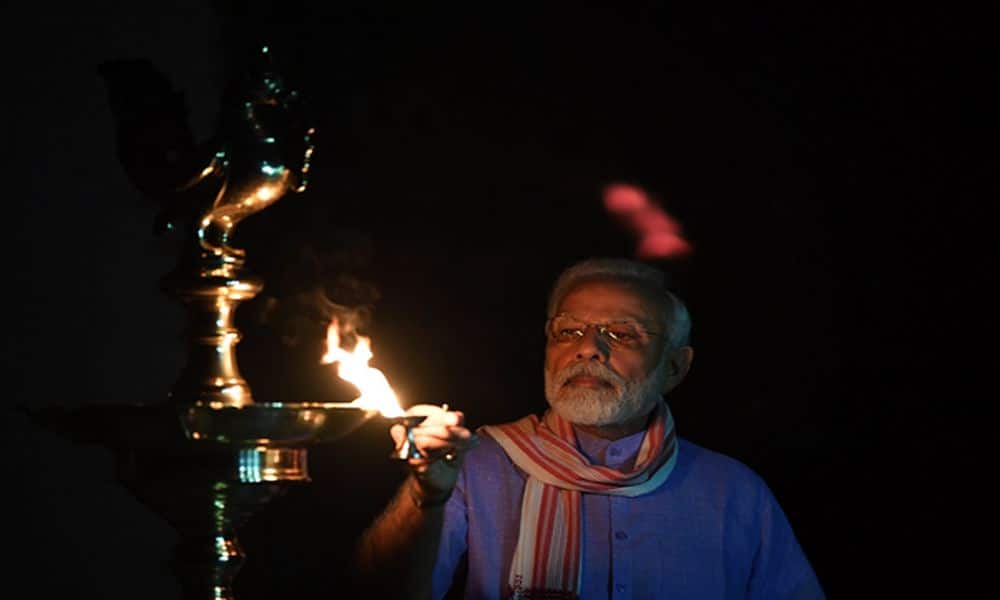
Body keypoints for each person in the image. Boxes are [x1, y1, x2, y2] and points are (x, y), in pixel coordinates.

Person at [355, 257, 824, 599]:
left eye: (622, 334)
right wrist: (426, 496)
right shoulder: (474, 463)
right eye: (568, 331)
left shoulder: (734, 492)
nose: (588, 348)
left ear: (675, 367)